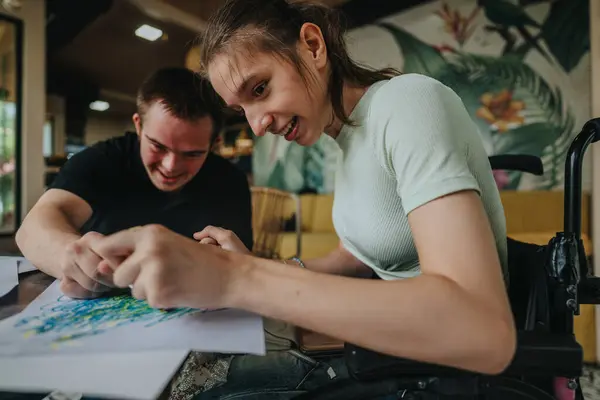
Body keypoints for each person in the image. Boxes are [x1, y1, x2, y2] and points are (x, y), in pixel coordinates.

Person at [90, 0, 517, 397]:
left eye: (259, 90)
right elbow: (358, 256)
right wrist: (249, 267)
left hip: (438, 376)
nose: (256, 126)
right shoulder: (349, 139)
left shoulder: (407, 103)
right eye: (242, 111)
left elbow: (480, 328)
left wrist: (238, 280)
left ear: (313, 46)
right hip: (385, 357)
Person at [15, 66, 253, 299]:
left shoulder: (229, 181)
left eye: (192, 154)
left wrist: (221, 262)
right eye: (158, 146)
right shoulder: (104, 160)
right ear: (139, 125)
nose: (170, 166)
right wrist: (72, 257)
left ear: (214, 144)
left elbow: (239, 260)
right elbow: (33, 228)